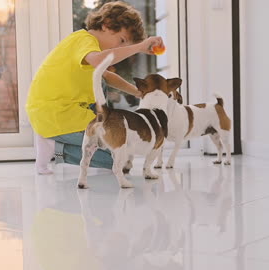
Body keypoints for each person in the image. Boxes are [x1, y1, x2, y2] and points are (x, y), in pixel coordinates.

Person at [25, 1, 165, 174]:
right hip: (55, 113)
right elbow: (100, 61)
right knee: (117, 159)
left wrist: (137, 92)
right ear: (106, 25)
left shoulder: (90, 48)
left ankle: (84, 134)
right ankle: (55, 147)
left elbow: (106, 75)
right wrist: (138, 48)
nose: (120, 48)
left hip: (66, 110)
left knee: (122, 152)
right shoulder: (83, 40)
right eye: (121, 40)